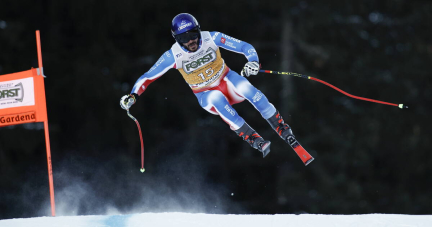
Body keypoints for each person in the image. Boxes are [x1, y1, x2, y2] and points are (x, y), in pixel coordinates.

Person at [120, 13, 294, 157]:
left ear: (199, 30)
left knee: (245, 86)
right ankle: (253, 138)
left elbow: (244, 46)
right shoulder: (172, 56)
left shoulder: (212, 37)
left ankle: (280, 126)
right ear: (176, 39)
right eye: (184, 38)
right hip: (206, 94)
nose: (191, 41)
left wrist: (253, 62)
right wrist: (133, 96)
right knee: (216, 97)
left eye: (193, 34)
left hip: (227, 80)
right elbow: (148, 77)